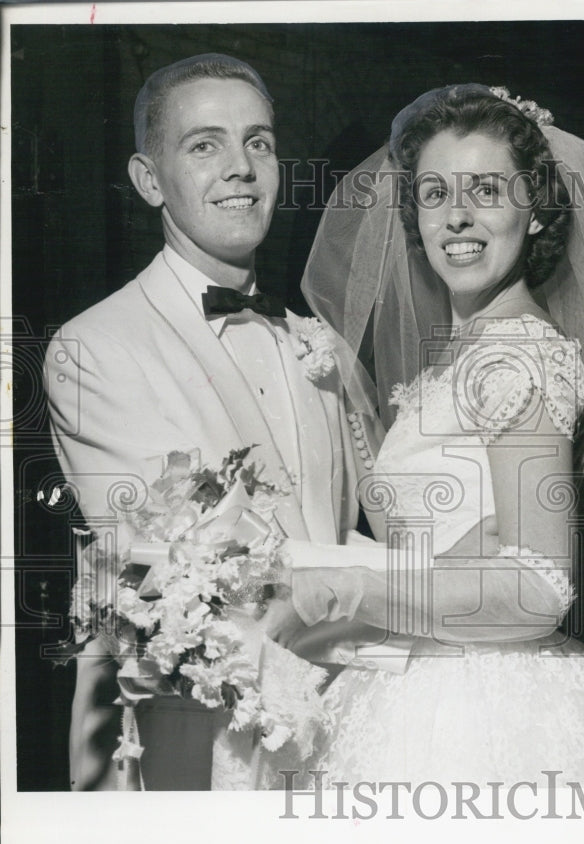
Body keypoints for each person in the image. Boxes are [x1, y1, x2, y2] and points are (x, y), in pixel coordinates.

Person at [288, 83, 584, 788]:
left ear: (539, 211)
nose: (456, 218)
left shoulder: (514, 354)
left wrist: (352, 588)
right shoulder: (464, 354)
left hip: (487, 714)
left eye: (486, 190)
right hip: (418, 679)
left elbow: (536, 588)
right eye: (434, 194)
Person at [44, 53, 383, 796]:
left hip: (341, 729)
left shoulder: (311, 341)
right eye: (205, 145)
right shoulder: (94, 347)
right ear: (147, 179)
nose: (240, 168)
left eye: (257, 142)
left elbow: (350, 529)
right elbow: (173, 570)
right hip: (188, 743)